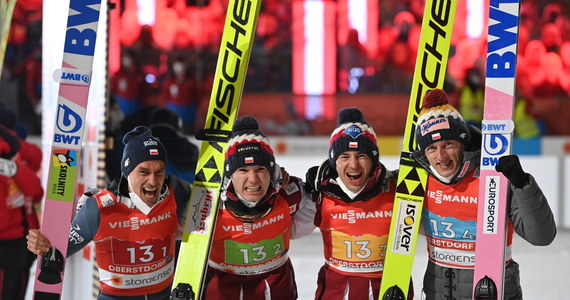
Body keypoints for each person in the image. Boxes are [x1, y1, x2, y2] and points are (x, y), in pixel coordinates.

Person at [411, 89, 556, 300]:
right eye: (432, 148)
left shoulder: (494, 179)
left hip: (494, 291)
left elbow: (542, 236)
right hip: (438, 293)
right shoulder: (418, 182)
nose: (441, 156)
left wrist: (522, 184)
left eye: (448, 144)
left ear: (462, 142)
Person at [27, 126, 192, 300]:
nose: (152, 181)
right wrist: (38, 243)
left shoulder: (177, 192)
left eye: (159, 172)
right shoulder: (98, 208)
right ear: (127, 172)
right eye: (143, 171)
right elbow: (56, 250)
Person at [303, 107, 413, 300]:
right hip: (336, 292)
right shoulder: (318, 193)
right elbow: (291, 229)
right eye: (344, 156)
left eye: (361, 156)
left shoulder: (398, 190)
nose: (353, 164)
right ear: (334, 162)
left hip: (389, 290)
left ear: (373, 160)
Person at [203, 116, 314, 299]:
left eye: (260, 169)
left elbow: (307, 221)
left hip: (276, 284)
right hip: (222, 285)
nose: (253, 179)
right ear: (229, 176)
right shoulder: (210, 205)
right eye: (243, 170)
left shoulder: (292, 194)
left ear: (272, 172)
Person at [0, 124, 43, 300]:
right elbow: (36, 192)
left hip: (17, 238)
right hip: (19, 236)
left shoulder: (13, 153)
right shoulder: (16, 149)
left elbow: (36, 192)